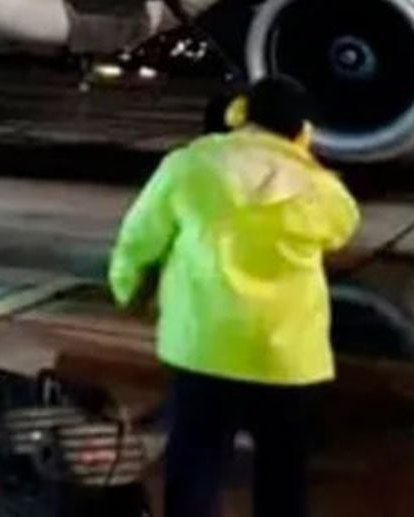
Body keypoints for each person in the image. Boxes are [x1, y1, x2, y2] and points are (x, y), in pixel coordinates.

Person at [108, 75, 360, 517]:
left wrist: (128, 290)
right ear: (303, 129)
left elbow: (138, 239)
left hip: (205, 346)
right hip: (286, 356)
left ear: (240, 114)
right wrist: (302, 162)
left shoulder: (190, 165)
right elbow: (342, 228)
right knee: (283, 474)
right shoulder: (318, 186)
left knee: (194, 466)